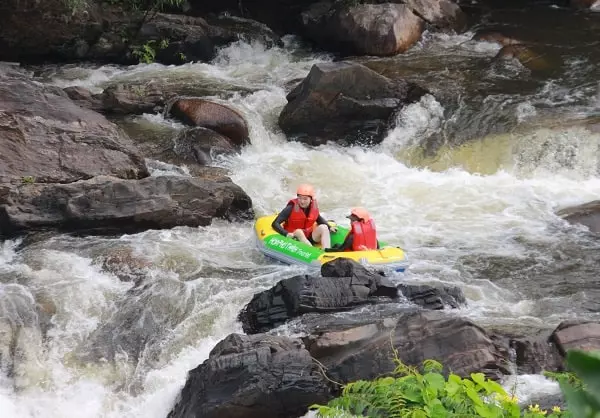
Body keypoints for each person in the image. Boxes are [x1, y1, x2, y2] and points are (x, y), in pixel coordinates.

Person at [271, 184, 336, 249]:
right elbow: (275, 223)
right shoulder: (290, 208)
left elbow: (319, 219)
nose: (302, 201)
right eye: (300, 198)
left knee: (324, 227)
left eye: (305, 199)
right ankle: (312, 251)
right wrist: (286, 233)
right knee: (299, 231)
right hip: (294, 237)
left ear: (311, 199)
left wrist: (329, 227)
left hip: (309, 237)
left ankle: (326, 250)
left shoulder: (313, 207)